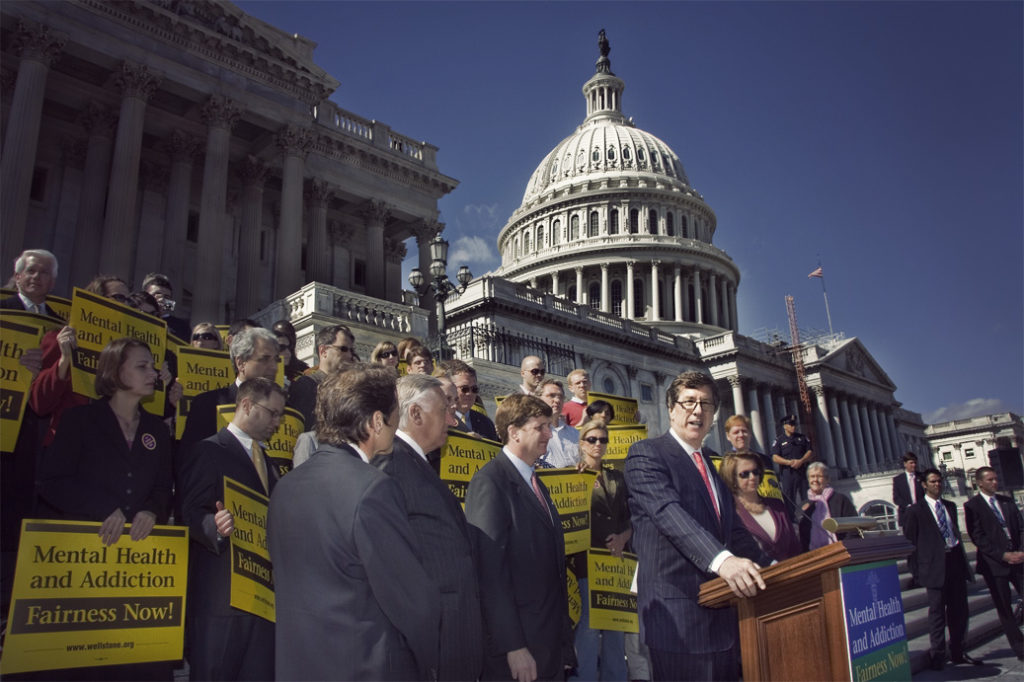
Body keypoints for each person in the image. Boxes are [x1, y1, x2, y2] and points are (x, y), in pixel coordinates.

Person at [268, 366, 441, 680]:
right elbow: (411, 599)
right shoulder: (373, 487)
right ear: (377, 421)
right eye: (394, 415)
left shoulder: (285, 486)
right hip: (365, 666)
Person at [624, 371, 770, 681]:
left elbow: (735, 532)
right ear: (671, 408)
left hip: (722, 618)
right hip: (678, 622)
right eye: (689, 402)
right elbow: (669, 514)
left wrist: (771, 567)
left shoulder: (713, 465)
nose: (697, 410)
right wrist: (723, 561)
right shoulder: (646, 454)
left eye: (705, 403)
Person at [373, 373, 484, 680]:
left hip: (450, 636)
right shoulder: (390, 465)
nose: (452, 420)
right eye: (444, 410)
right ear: (415, 413)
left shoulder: (417, 464)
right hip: (429, 643)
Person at [178, 377, 285, 681]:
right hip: (221, 601)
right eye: (272, 413)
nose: (277, 423)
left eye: (280, 415)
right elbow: (189, 512)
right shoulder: (209, 450)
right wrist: (213, 526)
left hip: (262, 601)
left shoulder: (270, 462)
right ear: (247, 405)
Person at [465, 394, 576, 681]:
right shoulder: (490, 482)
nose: (549, 435)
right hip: (518, 652)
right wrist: (512, 646)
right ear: (514, 432)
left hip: (548, 646)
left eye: (549, 427)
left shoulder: (537, 482)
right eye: (540, 427)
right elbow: (490, 574)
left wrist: (564, 647)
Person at [40, 337, 172, 535]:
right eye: (142, 366)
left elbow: (163, 487)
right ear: (115, 370)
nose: (153, 373)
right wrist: (101, 507)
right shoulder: (80, 420)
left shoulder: (157, 429)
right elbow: (52, 482)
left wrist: (151, 510)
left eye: (152, 367)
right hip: (84, 546)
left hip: (138, 551)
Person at [569, 418, 630, 682]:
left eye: (603, 440)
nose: (598, 444)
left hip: (617, 561)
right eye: (592, 439)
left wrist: (624, 537)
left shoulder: (617, 476)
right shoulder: (572, 474)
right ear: (582, 443)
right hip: (586, 561)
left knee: (617, 629)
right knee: (589, 628)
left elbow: (631, 515)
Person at [904, 468, 981, 670]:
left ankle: (958, 651)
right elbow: (910, 544)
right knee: (937, 614)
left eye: (939, 481)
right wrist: (917, 572)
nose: (937, 485)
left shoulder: (950, 506)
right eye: (933, 482)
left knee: (960, 611)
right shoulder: (915, 511)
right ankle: (938, 655)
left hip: (954, 563)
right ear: (924, 485)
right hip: (933, 569)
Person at [179, 326, 279, 452]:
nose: (274, 367)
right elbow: (192, 460)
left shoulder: (283, 408)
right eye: (264, 359)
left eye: (276, 359)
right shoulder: (208, 404)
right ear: (241, 363)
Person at [964, 466, 1024, 660]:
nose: (995, 482)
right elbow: (978, 537)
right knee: (1004, 607)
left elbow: (1022, 528)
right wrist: (1003, 555)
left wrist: (1021, 551)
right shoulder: (973, 506)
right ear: (979, 482)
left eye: (996, 479)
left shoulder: (1007, 502)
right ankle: (1019, 647)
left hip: (1019, 560)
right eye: (990, 479)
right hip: (995, 564)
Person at [720, 453, 800, 562]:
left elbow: (795, 547)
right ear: (732, 478)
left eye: (755, 472)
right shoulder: (730, 514)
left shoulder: (777, 505)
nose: (753, 477)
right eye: (744, 474)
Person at [285, 324, 354, 430]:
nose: (349, 355)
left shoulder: (350, 389)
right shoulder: (306, 385)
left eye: (351, 351)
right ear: (323, 351)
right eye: (343, 349)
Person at [798, 462, 857, 551]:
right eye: (812, 476)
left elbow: (854, 527)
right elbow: (802, 536)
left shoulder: (840, 500)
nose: (815, 480)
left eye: (819, 476)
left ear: (827, 479)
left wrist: (844, 549)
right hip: (814, 556)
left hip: (841, 552)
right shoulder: (803, 506)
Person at [770, 414, 813, 518]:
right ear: (785, 426)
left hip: (802, 471)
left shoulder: (802, 438)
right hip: (788, 473)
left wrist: (801, 461)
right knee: (789, 498)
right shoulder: (779, 440)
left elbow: (810, 452)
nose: (793, 426)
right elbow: (775, 457)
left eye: (794, 424)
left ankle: (809, 517)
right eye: (791, 424)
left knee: (806, 496)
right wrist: (789, 462)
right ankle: (792, 519)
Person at [449, 359, 500, 441]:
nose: (469, 393)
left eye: (474, 389)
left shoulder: (486, 423)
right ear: (451, 388)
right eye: (464, 389)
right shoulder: (441, 420)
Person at [1, 248, 59, 316]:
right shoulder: (2, 308)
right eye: (31, 271)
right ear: (17, 277)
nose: (36, 276)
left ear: (52, 282)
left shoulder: (58, 322)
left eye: (44, 272)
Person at [536, 378, 579, 468]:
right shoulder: (531, 432)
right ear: (538, 399)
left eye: (560, 397)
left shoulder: (575, 434)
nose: (557, 400)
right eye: (551, 395)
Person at [141, 272, 191, 340]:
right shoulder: (136, 315)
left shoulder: (182, 326)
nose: (161, 299)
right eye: (156, 294)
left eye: (166, 297)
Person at [892, 452, 924, 527]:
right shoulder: (898, 480)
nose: (914, 465)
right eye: (911, 463)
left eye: (915, 463)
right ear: (905, 464)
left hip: (921, 513)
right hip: (906, 514)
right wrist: (908, 506)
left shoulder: (922, 477)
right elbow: (896, 498)